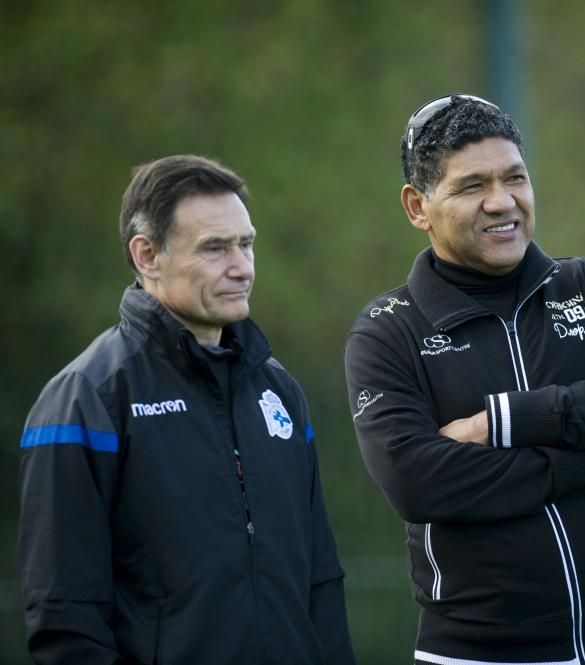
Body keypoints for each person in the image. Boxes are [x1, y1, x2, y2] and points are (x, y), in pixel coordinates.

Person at [345, 94, 585, 665]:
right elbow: (418, 482)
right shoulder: (387, 331)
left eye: (515, 178)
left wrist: (505, 422)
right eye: (471, 186)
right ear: (417, 206)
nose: (502, 202)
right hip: (480, 655)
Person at [17, 155, 355, 664]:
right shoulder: (86, 400)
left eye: (246, 244)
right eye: (215, 248)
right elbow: (65, 617)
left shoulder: (279, 392)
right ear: (147, 255)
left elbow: (321, 582)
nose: (242, 267)